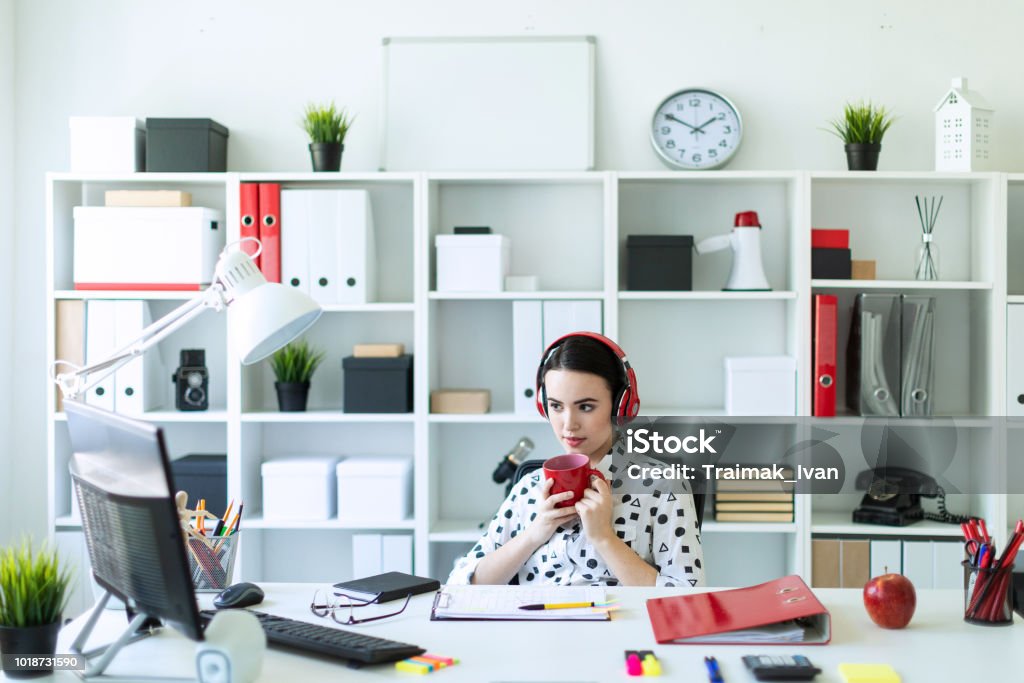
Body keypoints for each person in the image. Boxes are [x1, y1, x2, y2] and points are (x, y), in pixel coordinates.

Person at [448, 332, 705, 587]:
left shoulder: (662, 487)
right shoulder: (529, 487)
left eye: (585, 407)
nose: (568, 425)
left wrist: (604, 538)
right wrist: (535, 534)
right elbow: (462, 585)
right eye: (557, 406)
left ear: (620, 405)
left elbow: (686, 597)